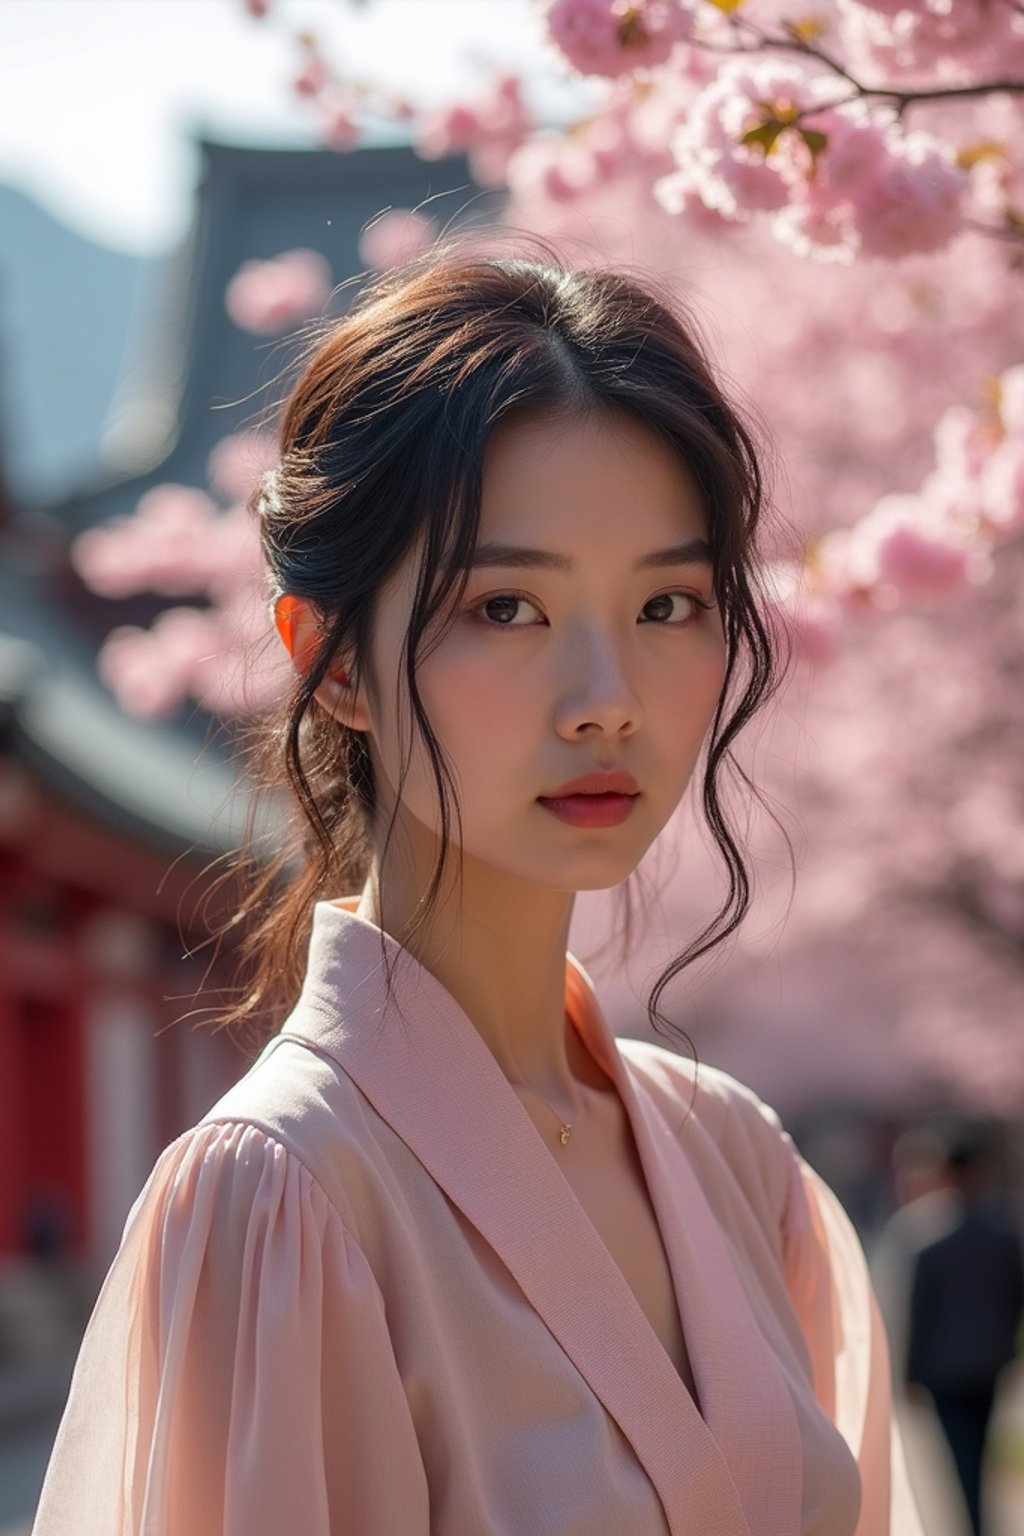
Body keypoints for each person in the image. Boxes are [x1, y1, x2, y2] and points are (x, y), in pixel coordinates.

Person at [33, 248, 924, 1535]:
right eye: (507, 608)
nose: (607, 696)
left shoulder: (738, 1161)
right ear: (332, 663)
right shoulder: (286, 1196)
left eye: (668, 602)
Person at [878, 1125, 1023, 1536]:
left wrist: (907, 1375)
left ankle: (974, 1524)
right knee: (979, 1453)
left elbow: (917, 1312)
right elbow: (1015, 1299)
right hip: (989, 1364)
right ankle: (981, 1522)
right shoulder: (1004, 1234)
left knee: (961, 1457)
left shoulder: (926, 1237)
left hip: (943, 1371)